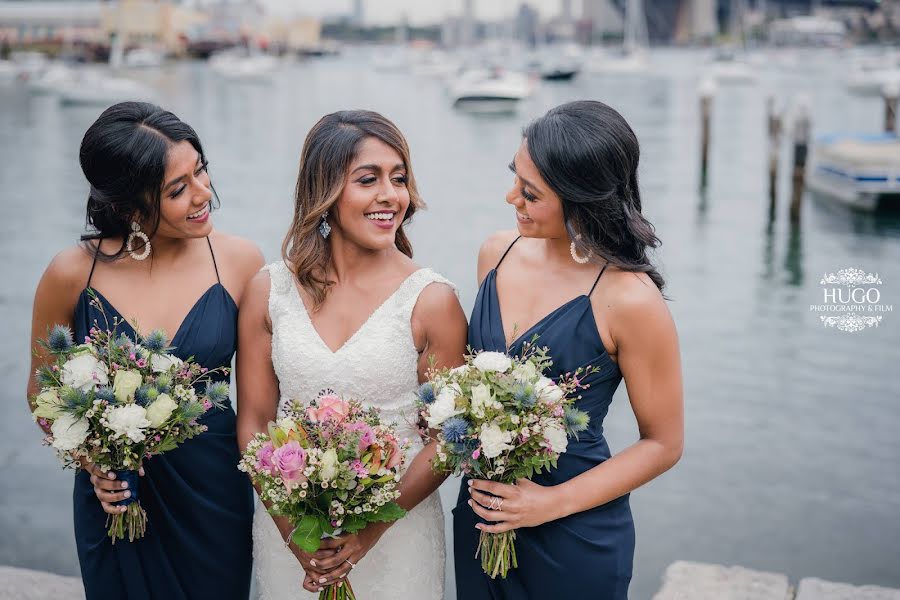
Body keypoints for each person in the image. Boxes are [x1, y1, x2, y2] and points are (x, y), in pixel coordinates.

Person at [27, 101, 263, 600]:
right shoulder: (71, 274)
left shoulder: (240, 261)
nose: (203, 195)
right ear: (129, 206)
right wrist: (93, 461)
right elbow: (41, 393)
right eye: (178, 189)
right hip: (115, 498)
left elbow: (260, 404)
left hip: (214, 495)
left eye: (201, 171)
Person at [454, 100, 684, 599]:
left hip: (574, 532)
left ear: (582, 199)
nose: (510, 195)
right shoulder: (498, 252)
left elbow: (664, 443)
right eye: (515, 177)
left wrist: (548, 503)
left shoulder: (630, 299)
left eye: (530, 193)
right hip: (482, 514)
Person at [236, 109, 467, 599]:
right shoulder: (269, 290)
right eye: (369, 179)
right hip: (291, 532)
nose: (391, 195)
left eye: (399, 179)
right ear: (325, 191)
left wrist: (369, 533)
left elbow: (450, 438)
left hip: (397, 535)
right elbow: (254, 420)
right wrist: (292, 532)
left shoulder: (432, 300)